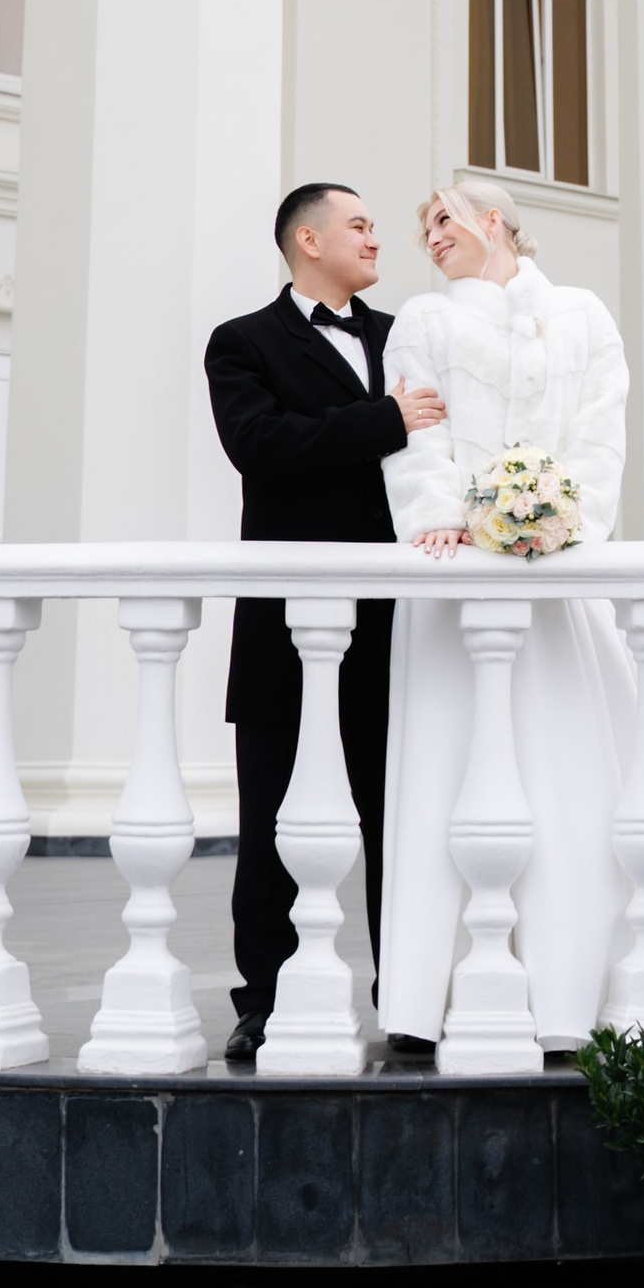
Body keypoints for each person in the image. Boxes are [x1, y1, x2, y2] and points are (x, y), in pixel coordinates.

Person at [375, 177, 644, 1058]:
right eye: (421, 229)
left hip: (559, 574)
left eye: (443, 219)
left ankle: (580, 984)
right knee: (457, 763)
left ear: (495, 222)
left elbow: (602, 433)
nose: (430, 237)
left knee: (574, 763)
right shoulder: (423, 323)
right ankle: (438, 993)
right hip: (458, 580)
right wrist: (449, 518)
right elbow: (420, 436)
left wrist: (561, 520)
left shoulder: (586, 317)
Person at [203, 183, 448, 1064]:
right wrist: (385, 419)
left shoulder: (401, 338)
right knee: (270, 818)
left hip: (394, 623)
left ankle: (411, 996)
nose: (375, 238)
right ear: (308, 240)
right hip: (285, 623)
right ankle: (262, 999)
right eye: (359, 225)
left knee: (399, 814)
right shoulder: (242, 343)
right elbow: (262, 447)